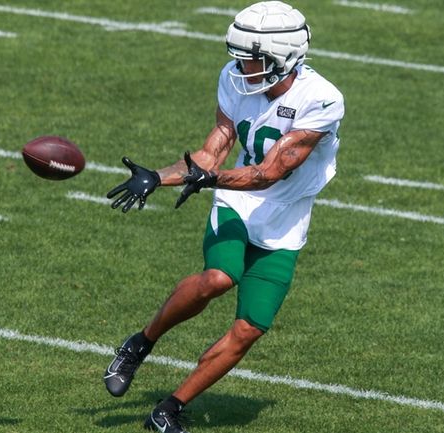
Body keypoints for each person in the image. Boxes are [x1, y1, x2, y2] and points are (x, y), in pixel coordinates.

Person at [104, 2, 344, 432]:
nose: (241, 67)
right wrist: (158, 177)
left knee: (250, 328)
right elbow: (211, 151)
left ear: (284, 57)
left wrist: (208, 177)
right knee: (218, 277)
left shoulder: (321, 100)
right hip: (237, 201)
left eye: (252, 59)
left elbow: (268, 173)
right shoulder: (236, 82)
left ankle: (168, 409)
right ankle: (139, 344)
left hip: (285, 217)